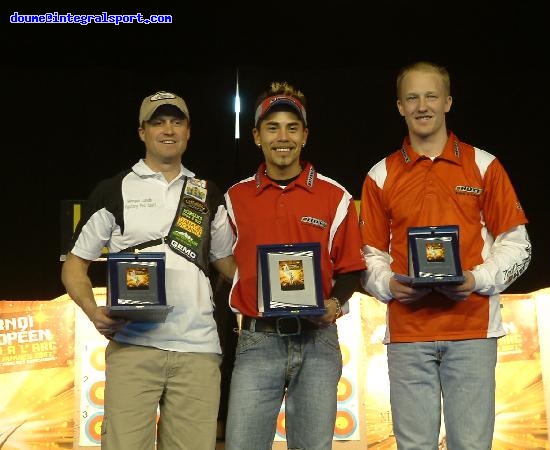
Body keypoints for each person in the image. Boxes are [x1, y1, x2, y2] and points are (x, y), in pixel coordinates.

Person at [359, 61, 532, 450]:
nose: (423, 106)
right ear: (400, 106)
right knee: (414, 446)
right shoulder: (379, 175)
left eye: (431, 96)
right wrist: (388, 285)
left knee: (470, 445)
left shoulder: (484, 165)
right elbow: (369, 255)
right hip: (408, 335)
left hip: (472, 331)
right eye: (412, 97)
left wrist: (475, 280)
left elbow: (518, 245)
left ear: (448, 102)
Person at [61, 90, 236, 450]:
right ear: (142, 132)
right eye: (158, 122)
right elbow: (75, 265)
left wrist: (275, 285)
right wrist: (94, 312)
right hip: (134, 349)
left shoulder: (207, 193)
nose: (168, 130)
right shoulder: (113, 190)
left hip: (197, 351)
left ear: (189, 131)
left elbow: (225, 262)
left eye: (176, 121)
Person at [223, 81, 366, 450]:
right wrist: (250, 285)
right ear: (256, 136)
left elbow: (351, 267)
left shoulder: (336, 196)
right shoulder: (235, 197)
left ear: (305, 135)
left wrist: (333, 305)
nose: (282, 137)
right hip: (258, 340)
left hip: (317, 342)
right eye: (272, 128)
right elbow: (220, 255)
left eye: (291, 127)